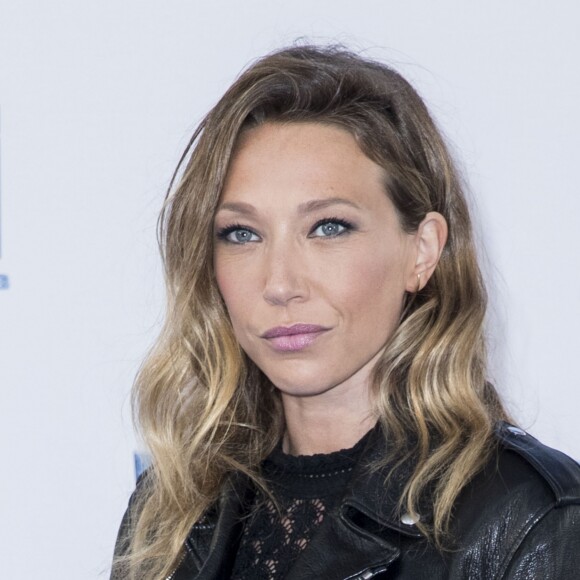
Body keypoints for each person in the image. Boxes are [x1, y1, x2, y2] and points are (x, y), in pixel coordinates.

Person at [111, 45, 580, 580]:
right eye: (242, 234)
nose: (280, 284)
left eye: (328, 227)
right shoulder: (173, 511)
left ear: (421, 250)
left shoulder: (528, 520)